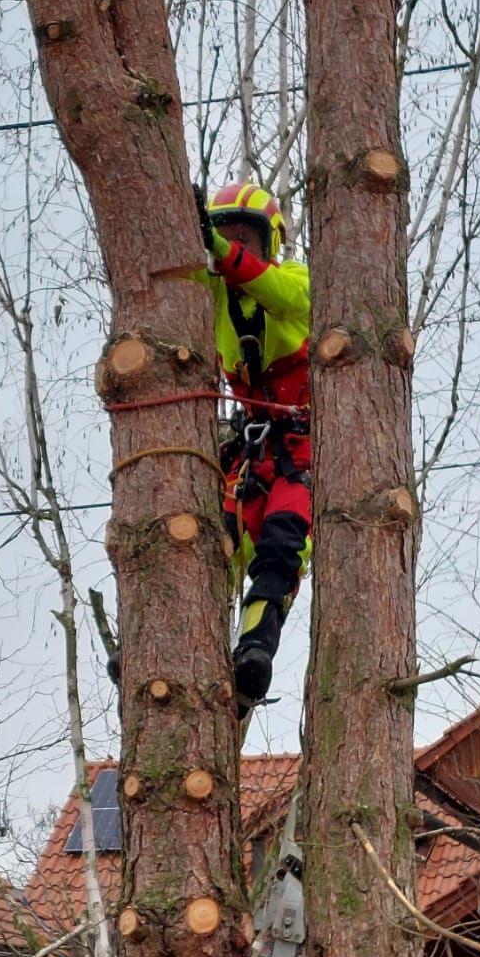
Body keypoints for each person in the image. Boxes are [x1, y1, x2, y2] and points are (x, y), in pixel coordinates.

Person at [194, 179, 312, 713]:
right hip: (250, 449)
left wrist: (219, 248)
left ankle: (255, 653)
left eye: (248, 237)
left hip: (303, 452)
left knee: (281, 548)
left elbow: (279, 293)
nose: (236, 246)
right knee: (205, 540)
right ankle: (163, 644)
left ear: (271, 243)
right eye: (227, 235)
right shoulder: (211, 293)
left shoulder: (299, 282)